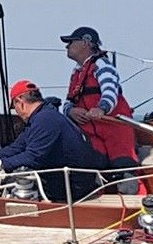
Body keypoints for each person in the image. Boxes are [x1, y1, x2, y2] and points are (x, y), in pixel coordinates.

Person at [0, 80, 105, 203]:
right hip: (70, 181)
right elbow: (16, 148)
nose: (16, 112)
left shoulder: (45, 120)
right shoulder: (42, 118)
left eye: (14, 107)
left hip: (72, 188)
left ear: (20, 101)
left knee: (14, 179)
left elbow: (33, 157)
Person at [60, 25, 141, 191]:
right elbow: (69, 101)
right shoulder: (77, 73)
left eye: (71, 42)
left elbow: (110, 90)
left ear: (86, 43)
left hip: (114, 131)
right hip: (92, 134)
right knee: (92, 168)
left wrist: (102, 108)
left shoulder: (102, 66)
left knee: (124, 171)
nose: (67, 46)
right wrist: (71, 111)